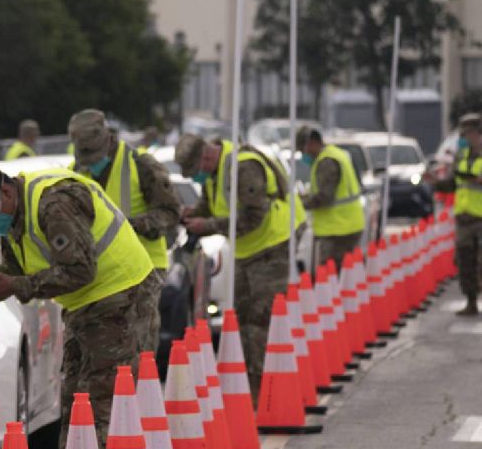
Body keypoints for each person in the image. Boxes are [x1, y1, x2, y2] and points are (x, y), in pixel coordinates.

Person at [0, 158, 159, 449]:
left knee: (101, 402)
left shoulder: (53, 203)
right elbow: (26, 269)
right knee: (76, 400)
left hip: (121, 294)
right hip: (85, 304)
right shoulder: (15, 217)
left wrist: (14, 285)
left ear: (7, 193)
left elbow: (79, 270)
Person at [176, 134, 295, 399]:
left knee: (260, 322)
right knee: (241, 319)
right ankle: (251, 391)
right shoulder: (217, 172)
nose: (197, 178)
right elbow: (210, 205)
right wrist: (192, 213)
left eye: (196, 171)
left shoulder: (243, 168)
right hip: (246, 252)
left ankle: (267, 393)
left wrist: (207, 226)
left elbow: (253, 217)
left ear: (206, 157)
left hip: (269, 250)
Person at [69, 109, 177, 351]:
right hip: (97, 276)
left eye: (95, 154)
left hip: (143, 269)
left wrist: (131, 225)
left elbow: (170, 213)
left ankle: (142, 389)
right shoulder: (75, 172)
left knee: (140, 346)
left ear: (109, 139)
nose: (91, 162)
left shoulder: (141, 165)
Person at [427, 113, 482, 316]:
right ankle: (471, 300)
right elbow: (452, 183)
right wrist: (436, 182)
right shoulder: (461, 156)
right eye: (464, 134)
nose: (467, 138)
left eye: (470, 134)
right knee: (464, 259)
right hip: (465, 216)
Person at [296, 125, 366, 272]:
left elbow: (324, 197)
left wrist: (299, 204)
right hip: (347, 225)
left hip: (338, 229)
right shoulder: (336, 154)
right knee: (346, 273)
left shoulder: (326, 161)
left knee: (330, 274)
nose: (303, 155)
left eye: (303, 150)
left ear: (312, 144)